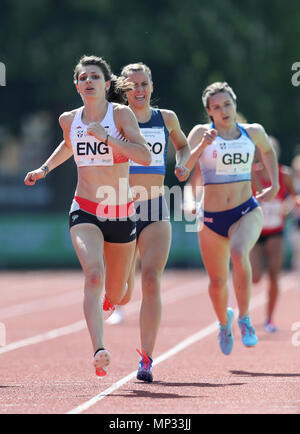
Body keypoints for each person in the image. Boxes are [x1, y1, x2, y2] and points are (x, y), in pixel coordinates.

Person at [24, 55, 151, 377]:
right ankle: (99, 349)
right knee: (93, 274)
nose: (88, 81)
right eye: (83, 77)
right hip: (85, 208)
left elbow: (145, 156)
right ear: (77, 85)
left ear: (106, 84)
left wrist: (107, 137)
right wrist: (44, 168)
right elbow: (68, 145)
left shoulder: (120, 114)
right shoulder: (69, 119)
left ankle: (113, 299)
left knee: (121, 293)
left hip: (120, 211)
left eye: (95, 76)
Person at [104, 62, 190, 382]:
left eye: (144, 84)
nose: (139, 90)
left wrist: (182, 165)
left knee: (151, 279)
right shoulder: (113, 118)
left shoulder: (166, 118)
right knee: (122, 293)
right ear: (124, 90)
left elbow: (182, 146)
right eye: (133, 85)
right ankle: (112, 293)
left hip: (155, 208)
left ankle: (146, 359)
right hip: (121, 208)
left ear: (152, 86)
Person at [185, 82, 279, 355]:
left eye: (227, 104)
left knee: (239, 253)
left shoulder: (253, 132)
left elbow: (268, 151)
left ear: (235, 105)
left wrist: (273, 185)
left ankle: (245, 318)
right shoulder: (201, 134)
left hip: (245, 211)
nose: (223, 110)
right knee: (216, 282)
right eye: (216, 107)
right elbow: (182, 170)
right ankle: (224, 324)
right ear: (209, 111)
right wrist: (201, 146)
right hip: (212, 219)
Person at [250, 138, 299, 332]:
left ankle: (269, 319)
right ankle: (242, 313)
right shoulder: (250, 174)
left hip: (275, 232)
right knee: (254, 277)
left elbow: (293, 198)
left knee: (273, 274)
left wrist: (289, 206)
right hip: (254, 231)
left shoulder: (284, 174)